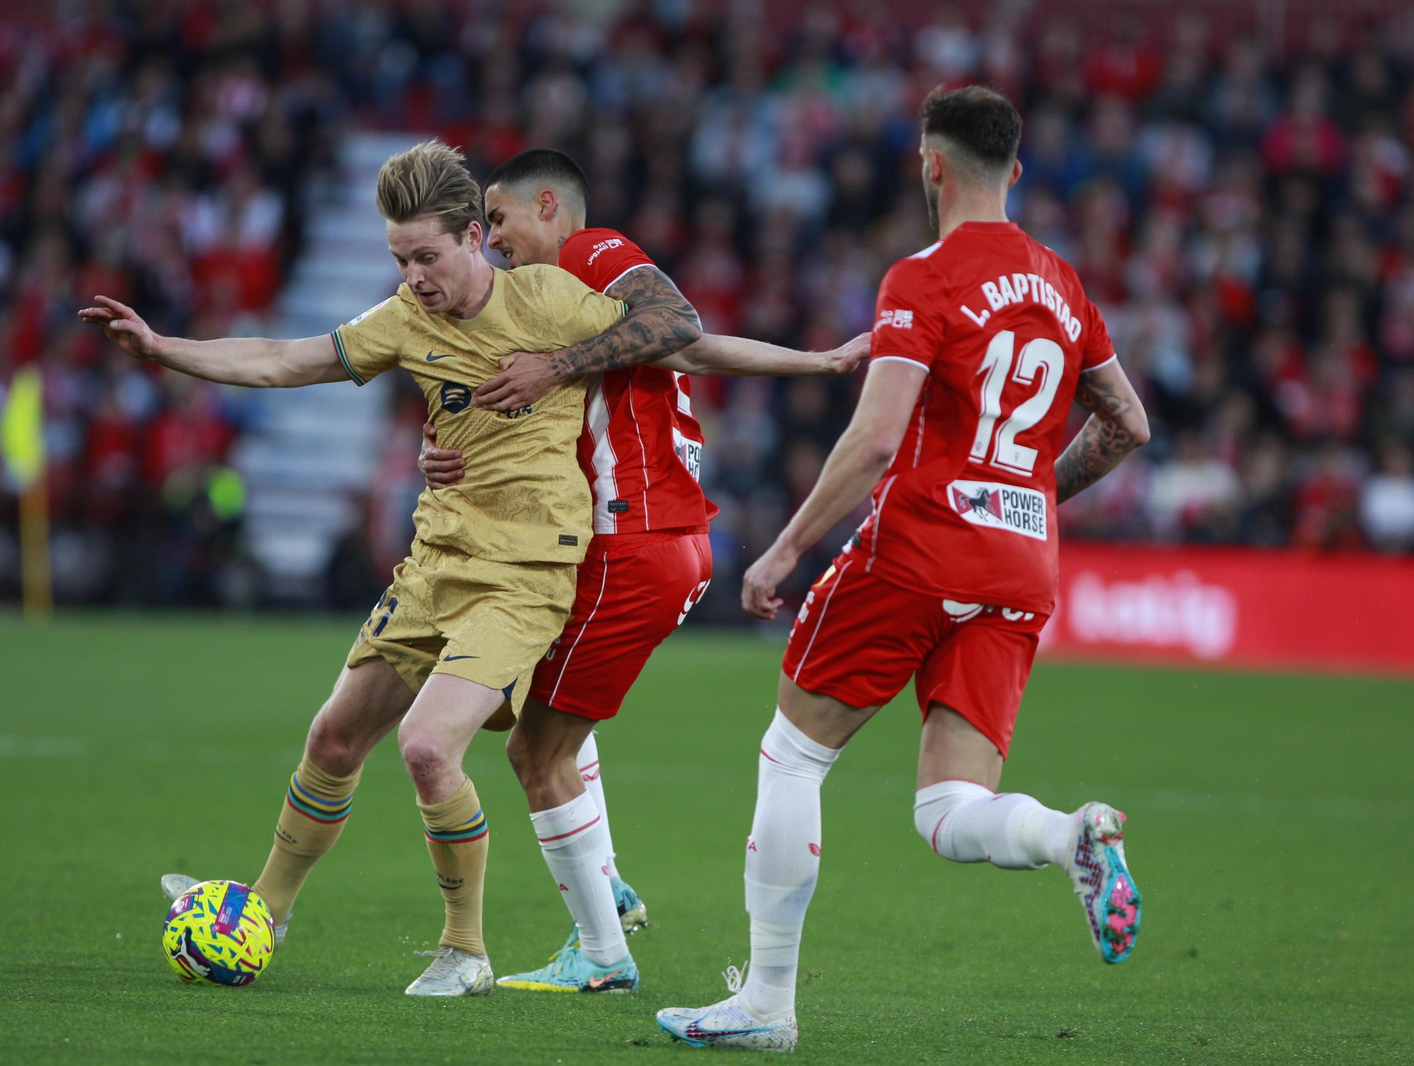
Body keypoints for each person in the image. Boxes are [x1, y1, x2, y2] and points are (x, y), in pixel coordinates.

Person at [655, 86, 1152, 1052]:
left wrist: (789, 547)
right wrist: (1030, 497)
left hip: (917, 548)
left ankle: (765, 1003)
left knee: (794, 753)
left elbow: (878, 437)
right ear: (1014, 170)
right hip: (1019, 566)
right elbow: (1128, 423)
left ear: (931, 165)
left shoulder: (923, 278)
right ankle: (1067, 835)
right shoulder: (1064, 286)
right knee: (946, 808)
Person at [82, 140, 639, 997]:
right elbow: (280, 359)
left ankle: (466, 950)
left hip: (524, 575)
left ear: (472, 236)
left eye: (425, 256)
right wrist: (164, 348)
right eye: (398, 259)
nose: (412, 276)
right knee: (333, 739)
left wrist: (816, 362)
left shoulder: (553, 301)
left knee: (425, 749)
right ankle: (264, 907)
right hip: (436, 563)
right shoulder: (406, 321)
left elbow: (685, 342)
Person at [416, 147, 868, 994]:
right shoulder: (570, 308)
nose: (495, 240)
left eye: (501, 218)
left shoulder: (591, 254)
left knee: (532, 750)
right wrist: (812, 361)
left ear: (547, 206)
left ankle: (601, 953)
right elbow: (694, 351)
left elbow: (678, 326)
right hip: (654, 541)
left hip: (633, 540)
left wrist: (552, 367)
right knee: (505, 713)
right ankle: (604, 879)